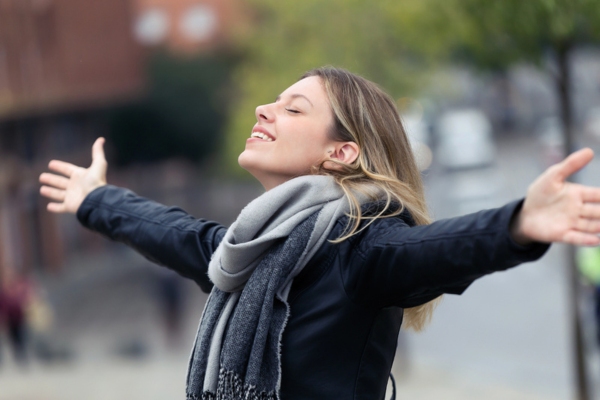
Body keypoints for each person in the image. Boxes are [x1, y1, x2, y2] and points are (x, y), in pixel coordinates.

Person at [39, 67, 600, 400]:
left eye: (292, 108)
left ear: (341, 153)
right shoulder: (249, 250)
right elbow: (173, 232)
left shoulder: (363, 247)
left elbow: (437, 248)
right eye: (273, 102)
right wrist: (95, 200)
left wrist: (517, 224)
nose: (264, 109)